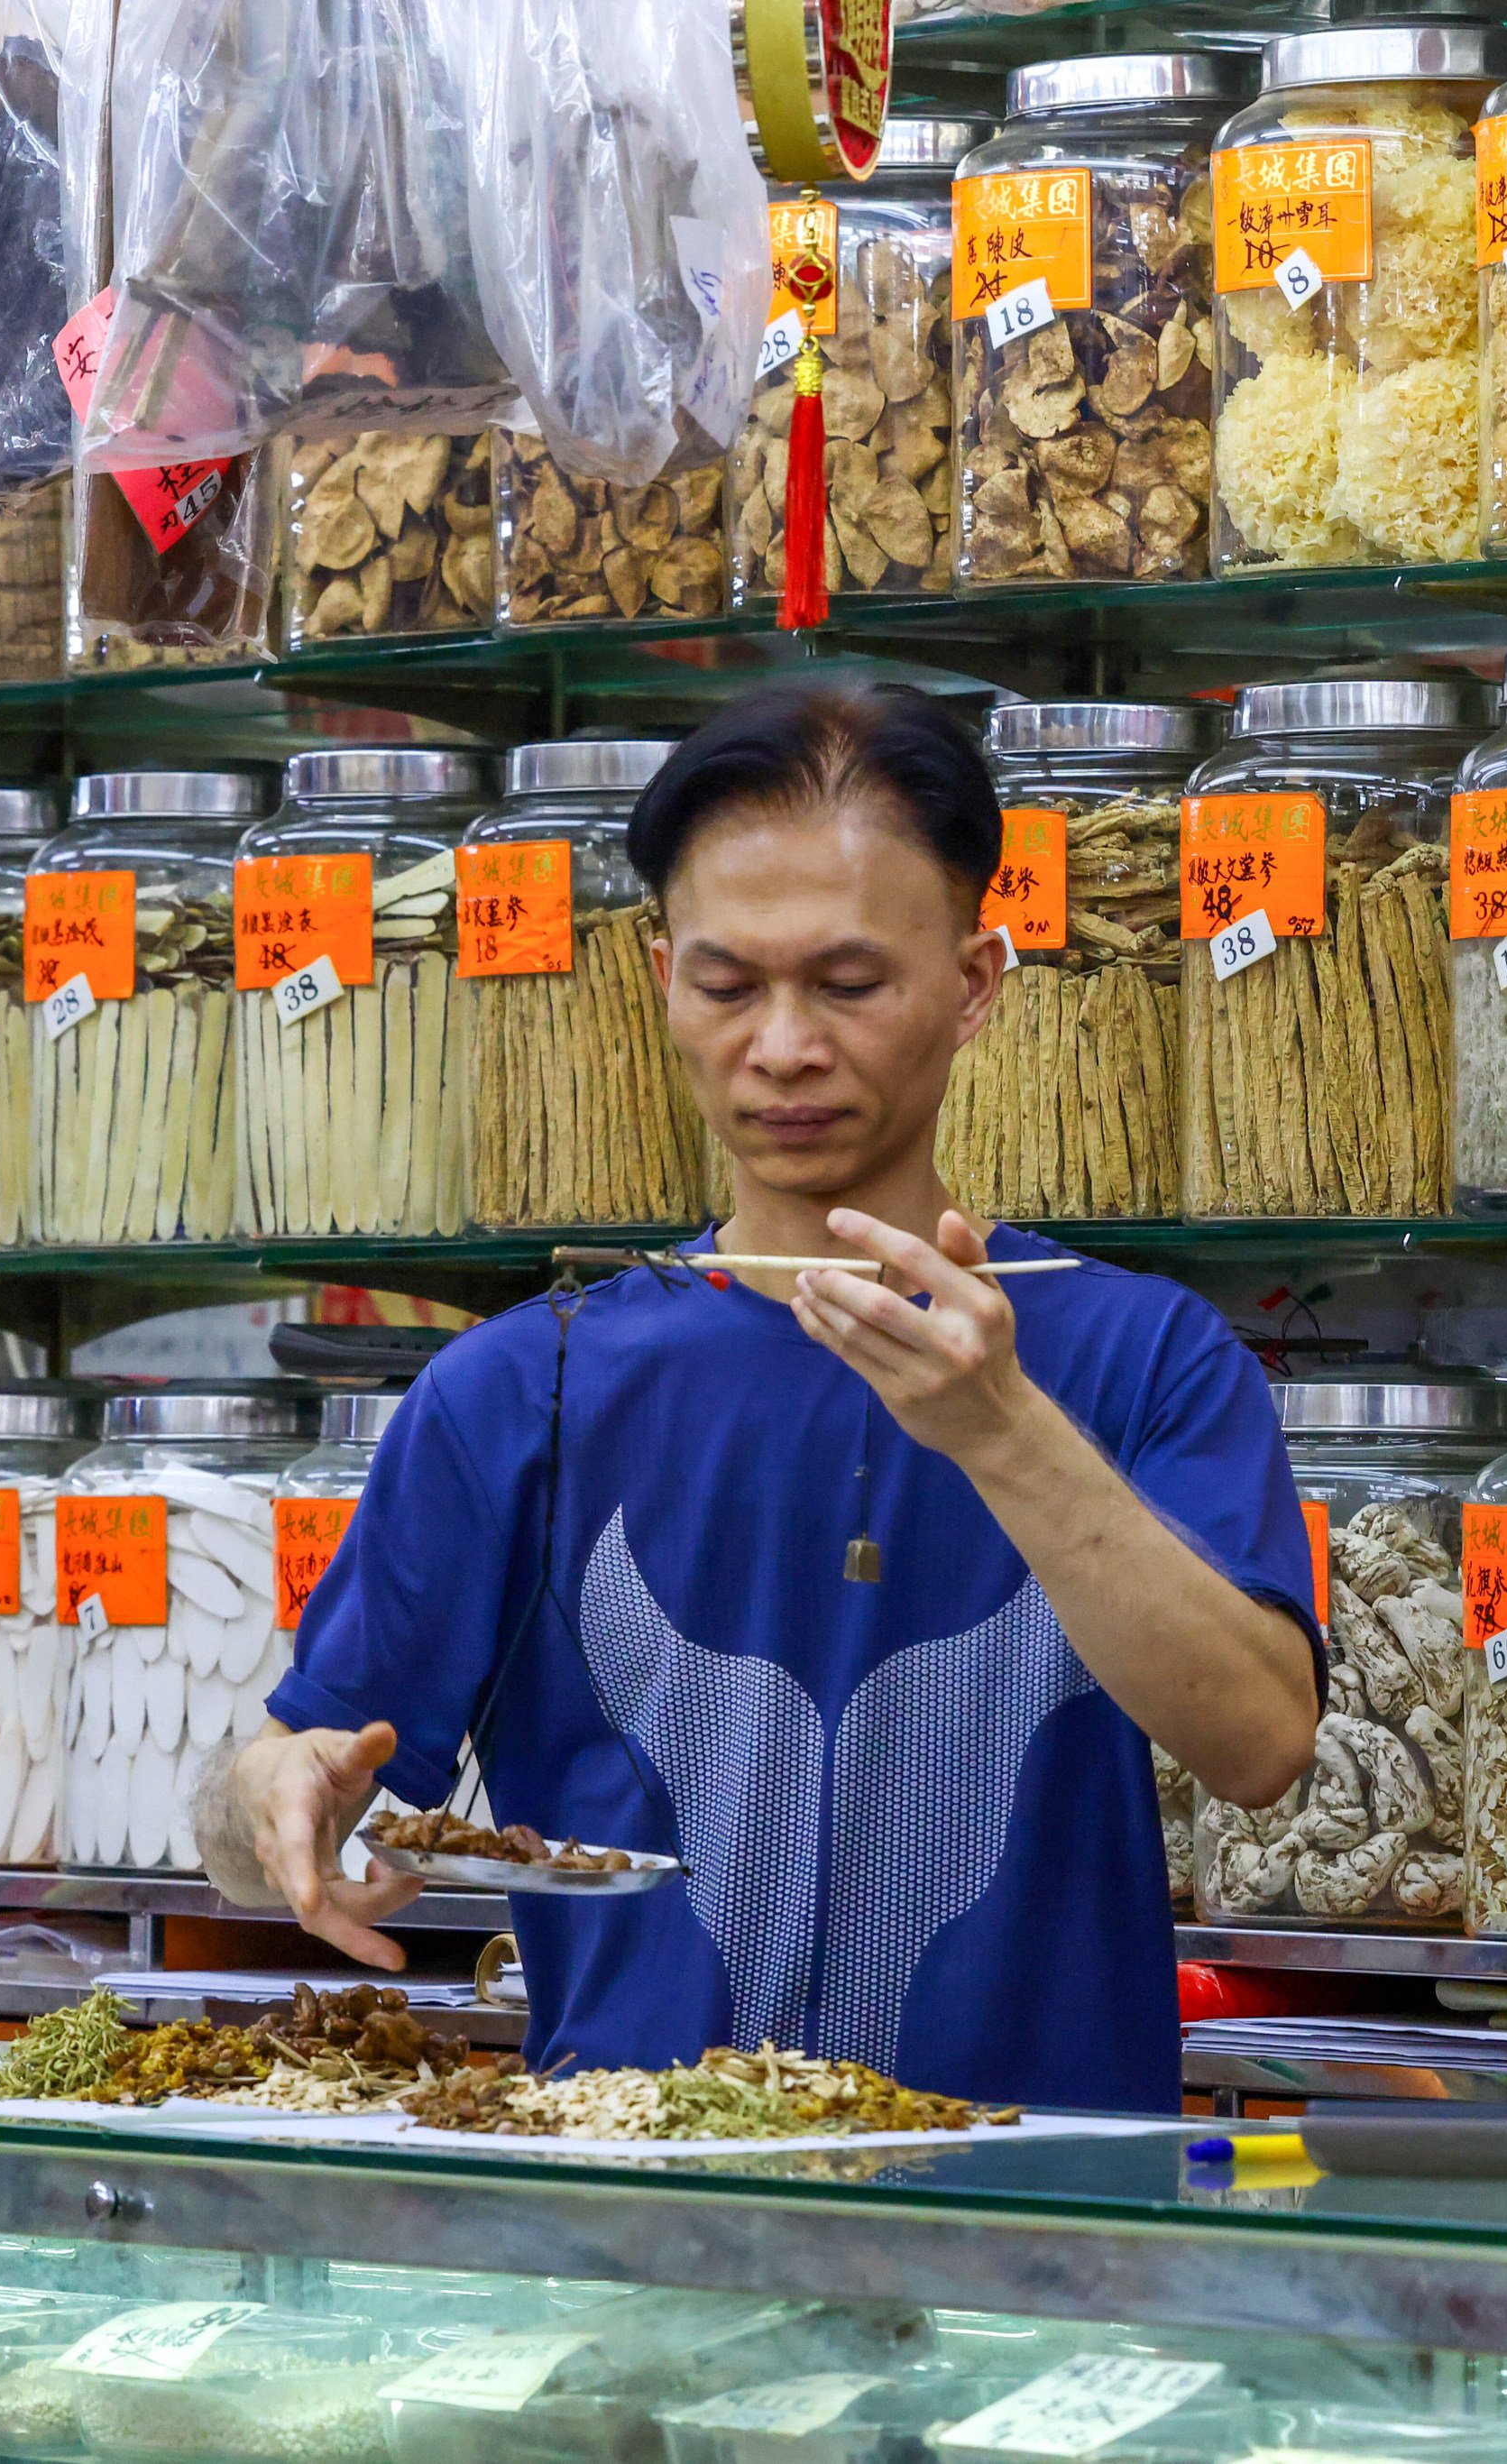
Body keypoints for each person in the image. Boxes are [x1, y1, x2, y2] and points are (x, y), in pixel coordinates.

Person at [199, 681, 1320, 2111]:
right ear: (661, 975)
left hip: (1044, 2220)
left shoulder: (1135, 1352)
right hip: (639, 2207)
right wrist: (266, 1798)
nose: (782, 1046)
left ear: (976, 984)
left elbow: (1262, 1745)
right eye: (727, 986)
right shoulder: (519, 1384)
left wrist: (1003, 1433)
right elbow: (291, 1786)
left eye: (848, 985)